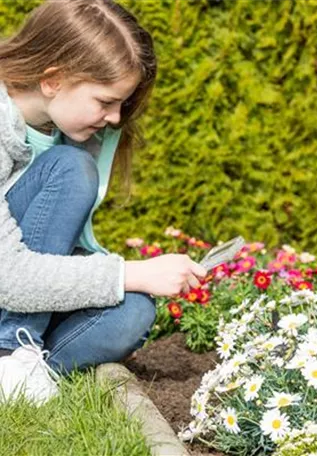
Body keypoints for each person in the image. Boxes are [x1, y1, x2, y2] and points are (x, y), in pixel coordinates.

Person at [0, 0, 206, 404]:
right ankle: (10, 351)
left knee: (132, 312)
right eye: (105, 101)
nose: (115, 118)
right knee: (71, 169)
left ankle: (23, 368)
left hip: (17, 294)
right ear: (53, 80)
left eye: (121, 105)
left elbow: (51, 247)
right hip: (10, 288)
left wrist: (121, 282)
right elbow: (9, 279)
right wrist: (129, 272)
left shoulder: (66, 129)